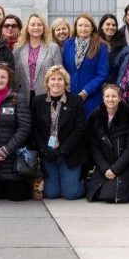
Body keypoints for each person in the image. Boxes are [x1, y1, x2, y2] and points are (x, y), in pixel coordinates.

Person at [31, 65, 87, 199]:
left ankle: (85, 182)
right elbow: (33, 128)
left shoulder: (75, 101)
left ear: (65, 83)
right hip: (47, 153)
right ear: (47, 82)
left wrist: (62, 150)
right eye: (53, 79)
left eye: (60, 79)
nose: (56, 82)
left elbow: (80, 128)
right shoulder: (37, 101)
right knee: (51, 193)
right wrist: (44, 150)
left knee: (71, 194)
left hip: (69, 153)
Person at [0, 65, 32, 201]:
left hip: (13, 161)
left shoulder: (18, 99)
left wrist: (6, 150)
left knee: (16, 197)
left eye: (3, 77)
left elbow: (24, 127)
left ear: (8, 79)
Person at [85, 84, 129, 203]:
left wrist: (115, 169)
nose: (110, 99)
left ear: (120, 98)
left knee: (114, 195)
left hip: (123, 164)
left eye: (114, 96)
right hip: (104, 164)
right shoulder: (96, 116)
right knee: (96, 194)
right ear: (103, 98)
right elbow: (94, 148)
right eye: (107, 96)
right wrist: (105, 168)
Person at [62, 14, 110, 118]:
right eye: (80, 25)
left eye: (87, 26)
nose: (83, 28)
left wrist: (85, 92)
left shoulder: (101, 46)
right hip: (70, 96)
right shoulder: (68, 44)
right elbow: (63, 70)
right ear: (75, 27)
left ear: (92, 27)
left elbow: (102, 74)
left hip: (91, 97)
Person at [13, 13, 61, 100]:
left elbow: (59, 73)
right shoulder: (17, 49)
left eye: (39, 25)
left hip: (47, 95)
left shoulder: (53, 48)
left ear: (43, 28)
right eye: (32, 25)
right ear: (27, 28)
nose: (36, 27)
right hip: (23, 95)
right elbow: (14, 74)